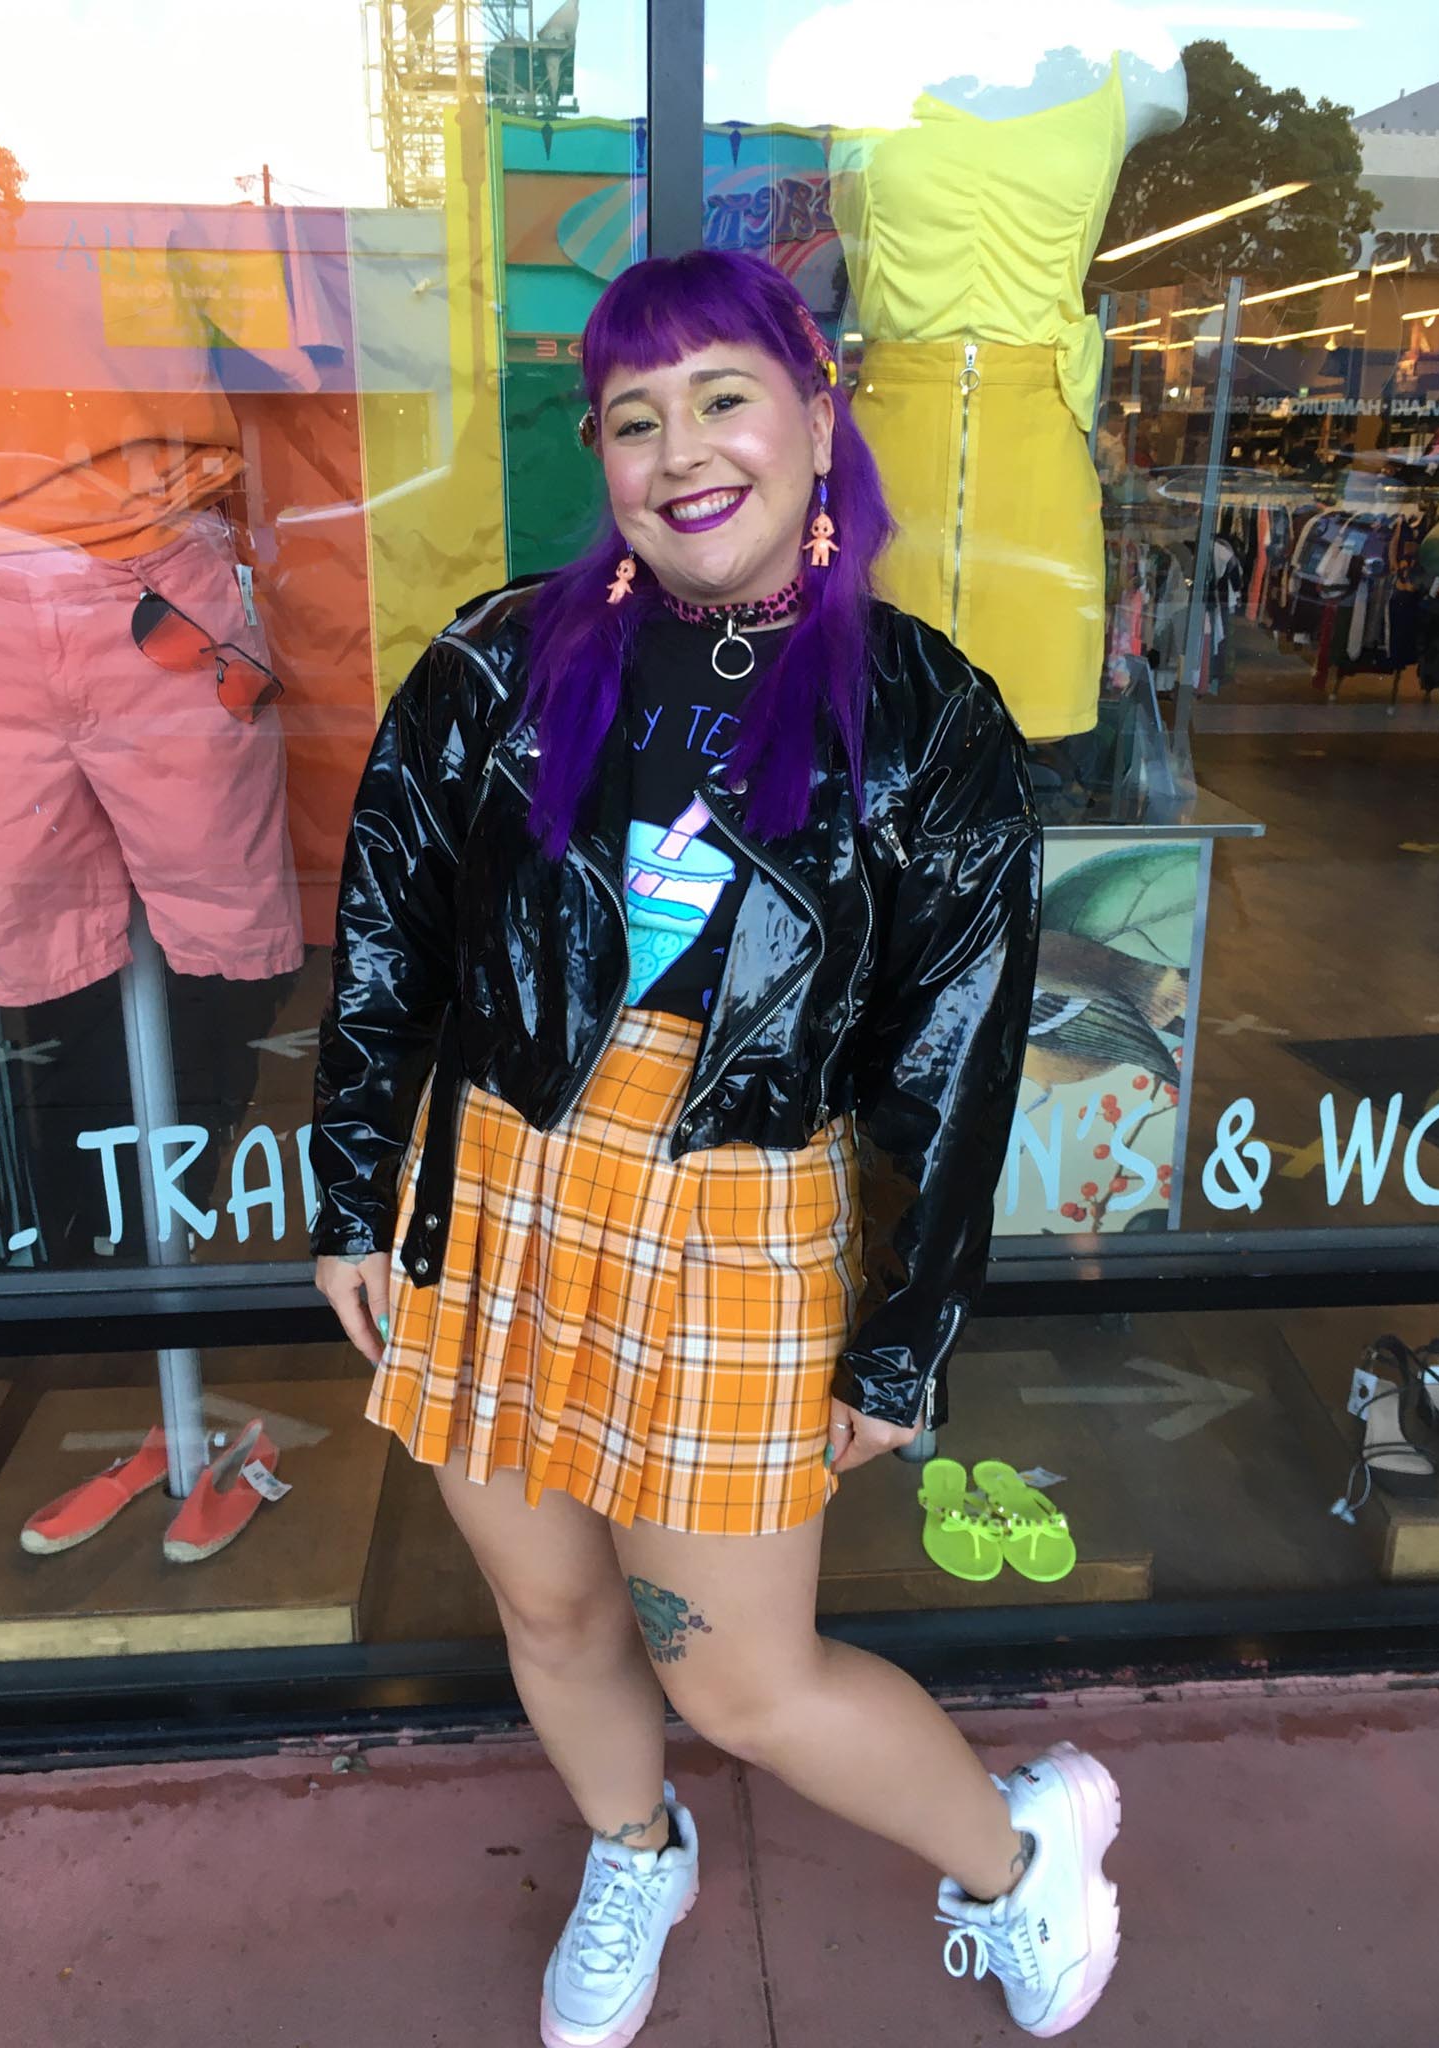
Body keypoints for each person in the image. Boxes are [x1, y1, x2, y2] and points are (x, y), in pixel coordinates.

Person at [310, 248, 1120, 2047]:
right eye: (633, 415)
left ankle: (1021, 1853)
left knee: (738, 1672)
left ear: (818, 415)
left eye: (723, 395)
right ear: (600, 453)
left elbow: (960, 1056)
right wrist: (355, 1190)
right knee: (545, 1597)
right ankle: (634, 1844)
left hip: (742, 1210)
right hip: (504, 1178)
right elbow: (387, 934)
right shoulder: (495, 663)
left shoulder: (925, 719)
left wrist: (907, 1334)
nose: (682, 447)